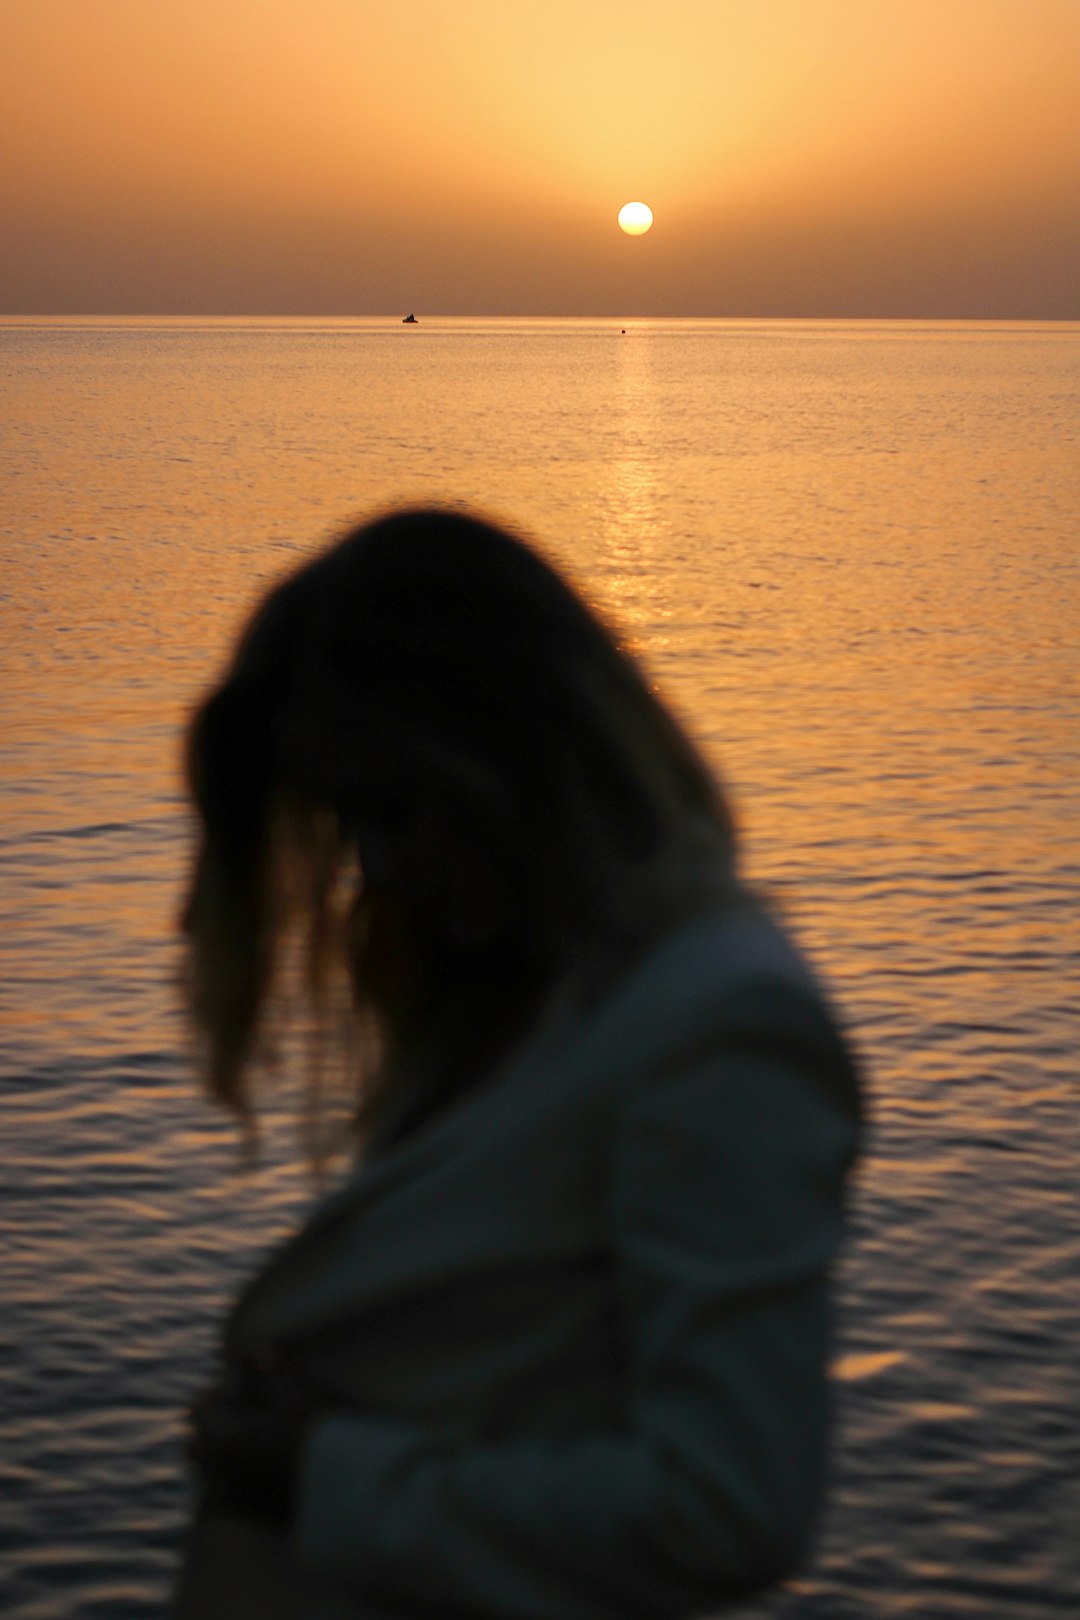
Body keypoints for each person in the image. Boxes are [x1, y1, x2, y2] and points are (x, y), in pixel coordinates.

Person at [175, 506, 861, 1620]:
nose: (379, 870)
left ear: (514, 759)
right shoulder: (528, 998)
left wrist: (324, 1477)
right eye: (354, 827)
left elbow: (729, 1507)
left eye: (397, 811)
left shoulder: (724, 1027)